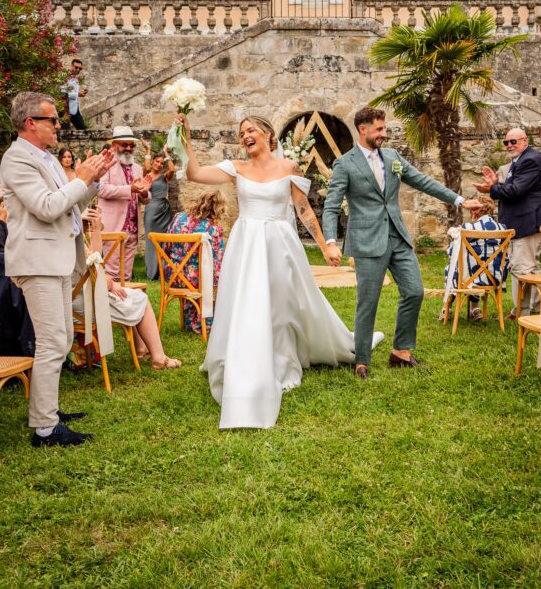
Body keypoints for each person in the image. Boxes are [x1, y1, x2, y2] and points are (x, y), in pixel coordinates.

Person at [183, 115, 384, 428]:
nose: (245, 136)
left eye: (251, 130)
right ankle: (247, 356)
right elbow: (194, 173)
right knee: (247, 302)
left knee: (282, 304)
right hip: (247, 243)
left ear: (266, 134)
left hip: (279, 242)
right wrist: (185, 140)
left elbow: (303, 210)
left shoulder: (289, 167)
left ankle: (283, 358)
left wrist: (326, 244)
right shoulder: (235, 167)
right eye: (241, 133)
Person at [323, 107, 480, 380]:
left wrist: (459, 200)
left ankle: (401, 352)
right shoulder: (345, 164)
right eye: (380, 129)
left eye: (385, 129)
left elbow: (422, 181)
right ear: (363, 129)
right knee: (367, 302)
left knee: (415, 291)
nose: (385, 134)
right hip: (367, 241)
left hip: (398, 237)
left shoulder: (393, 158)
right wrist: (330, 241)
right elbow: (331, 206)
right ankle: (362, 360)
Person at [0, 91, 115, 448]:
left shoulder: (46, 157)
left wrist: (92, 179)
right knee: (51, 342)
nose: (58, 125)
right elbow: (47, 207)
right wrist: (80, 178)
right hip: (38, 261)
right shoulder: (17, 160)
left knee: (62, 338)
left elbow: (70, 200)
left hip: (58, 258)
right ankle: (45, 429)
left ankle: (46, 410)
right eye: (53, 119)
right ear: (31, 123)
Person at [76, 207, 181, 369]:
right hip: (84, 304)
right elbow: (92, 273)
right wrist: (111, 284)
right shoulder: (73, 241)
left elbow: (95, 259)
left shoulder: (71, 238)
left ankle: (140, 349)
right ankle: (158, 358)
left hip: (78, 299)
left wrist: (96, 228)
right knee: (140, 299)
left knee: (132, 295)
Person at [474, 127, 541, 318]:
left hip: (527, 221)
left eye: (514, 142)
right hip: (524, 221)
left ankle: (523, 311)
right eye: (506, 142)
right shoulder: (521, 160)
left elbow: (516, 191)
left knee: (522, 267)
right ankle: (534, 307)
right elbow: (513, 188)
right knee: (529, 266)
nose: (509, 145)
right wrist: (497, 185)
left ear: (525, 141)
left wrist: (492, 189)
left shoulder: (530, 160)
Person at [163, 190, 226, 333]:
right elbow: (217, 263)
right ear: (217, 208)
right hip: (197, 280)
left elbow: (166, 248)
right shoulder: (213, 229)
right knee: (214, 274)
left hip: (173, 276)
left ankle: (191, 319)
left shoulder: (178, 218)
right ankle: (207, 320)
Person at [97, 126, 151, 283]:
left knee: (126, 277)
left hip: (133, 229)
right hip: (113, 228)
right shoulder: (105, 165)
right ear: (114, 145)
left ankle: (125, 307)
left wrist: (144, 192)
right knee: (112, 276)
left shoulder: (138, 168)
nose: (128, 148)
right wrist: (130, 189)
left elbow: (146, 198)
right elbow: (101, 189)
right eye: (124, 145)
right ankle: (110, 307)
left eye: (131, 145)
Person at [441, 196, 507, 321]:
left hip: (471, 279)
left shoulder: (468, 228)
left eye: (472, 210)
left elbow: (452, 252)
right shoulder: (503, 228)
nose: (471, 212)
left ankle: (447, 306)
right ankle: (475, 308)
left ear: (476, 210)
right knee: (476, 266)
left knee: (454, 266)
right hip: (494, 277)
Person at [143, 151, 177, 281]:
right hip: (152, 210)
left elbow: (172, 168)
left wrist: (167, 154)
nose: (159, 164)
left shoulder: (165, 176)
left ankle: (163, 271)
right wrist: (147, 151)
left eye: (161, 163)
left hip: (164, 210)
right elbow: (146, 167)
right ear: (152, 162)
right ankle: (152, 273)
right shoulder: (147, 175)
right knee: (151, 240)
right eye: (157, 161)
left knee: (164, 240)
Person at [59, 58, 88, 130]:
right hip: (65, 109)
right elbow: (62, 93)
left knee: (82, 129)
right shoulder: (64, 77)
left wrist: (80, 93)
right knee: (64, 132)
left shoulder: (76, 80)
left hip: (75, 109)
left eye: (80, 68)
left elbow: (73, 92)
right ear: (71, 66)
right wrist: (77, 94)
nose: (78, 70)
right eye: (76, 67)